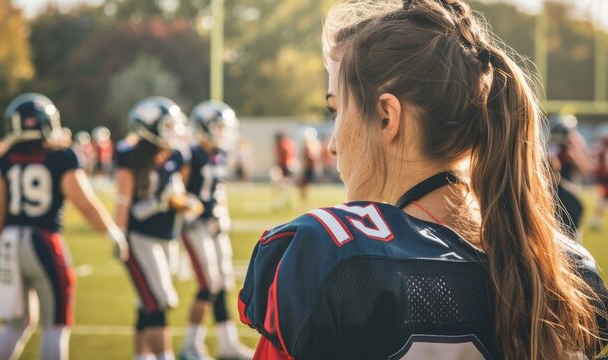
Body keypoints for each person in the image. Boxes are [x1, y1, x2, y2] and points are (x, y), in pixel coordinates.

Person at [238, 1, 608, 359]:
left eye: (337, 109)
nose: (333, 145)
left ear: (387, 117)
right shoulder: (564, 270)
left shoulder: (341, 264)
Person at [0, 93, 129, 360]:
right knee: (56, 324)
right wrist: (112, 232)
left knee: (16, 324)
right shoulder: (60, 156)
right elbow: (85, 203)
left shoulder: (8, 158)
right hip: (43, 240)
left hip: (9, 238)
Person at [114, 96, 202, 360]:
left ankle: (142, 356)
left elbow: (180, 195)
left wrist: (186, 203)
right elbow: (125, 201)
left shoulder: (175, 155)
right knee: (159, 300)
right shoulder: (130, 156)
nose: (173, 132)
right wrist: (118, 235)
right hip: (140, 236)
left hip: (167, 236)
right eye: (167, 126)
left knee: (146, 300)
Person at [178, 100, 253, 360]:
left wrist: (222, 215)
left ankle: (226, 344)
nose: (223, 132)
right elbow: (179, 192)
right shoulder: (191, 154)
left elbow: (217, 191)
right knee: (207, 285)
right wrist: (190, 212)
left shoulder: (218, 153)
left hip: (214, 224)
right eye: (219, 127)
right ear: (205, 127)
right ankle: (190, 345)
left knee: (222, 284)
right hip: (194, 226)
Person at [548, 115, 594, 237]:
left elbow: (584, 169)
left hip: (565, 193)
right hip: (560, 194)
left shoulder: (569, 149)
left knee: (567, 232)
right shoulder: (556, 150)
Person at [298, 127, 321, 204]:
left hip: (308, 168)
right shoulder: (315, 144)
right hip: (309, 168)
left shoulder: (309, 145)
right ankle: (304, 201)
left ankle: (304, 201)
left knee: (304, 185)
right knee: (304, 185)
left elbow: (311, 156)